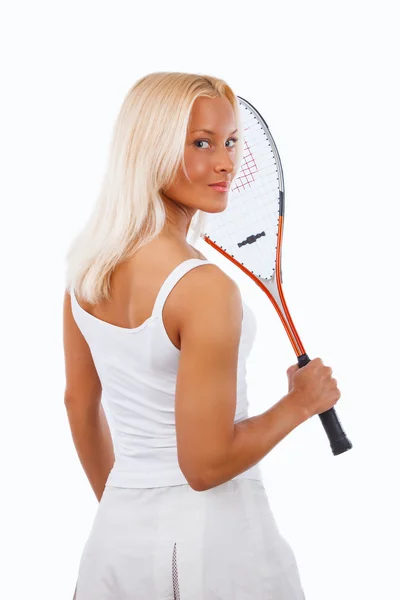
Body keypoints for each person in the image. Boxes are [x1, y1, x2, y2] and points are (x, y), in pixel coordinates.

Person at [63, 71, 341, 599]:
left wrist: (124, 504)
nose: (226, 162)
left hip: (114, 542)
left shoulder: (87, 270)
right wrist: (300, 404)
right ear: (152, 149)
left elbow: (80, 402)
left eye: (232, 141)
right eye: (202, 143)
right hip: (215, 547)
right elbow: (206, 466)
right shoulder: (204, 288)